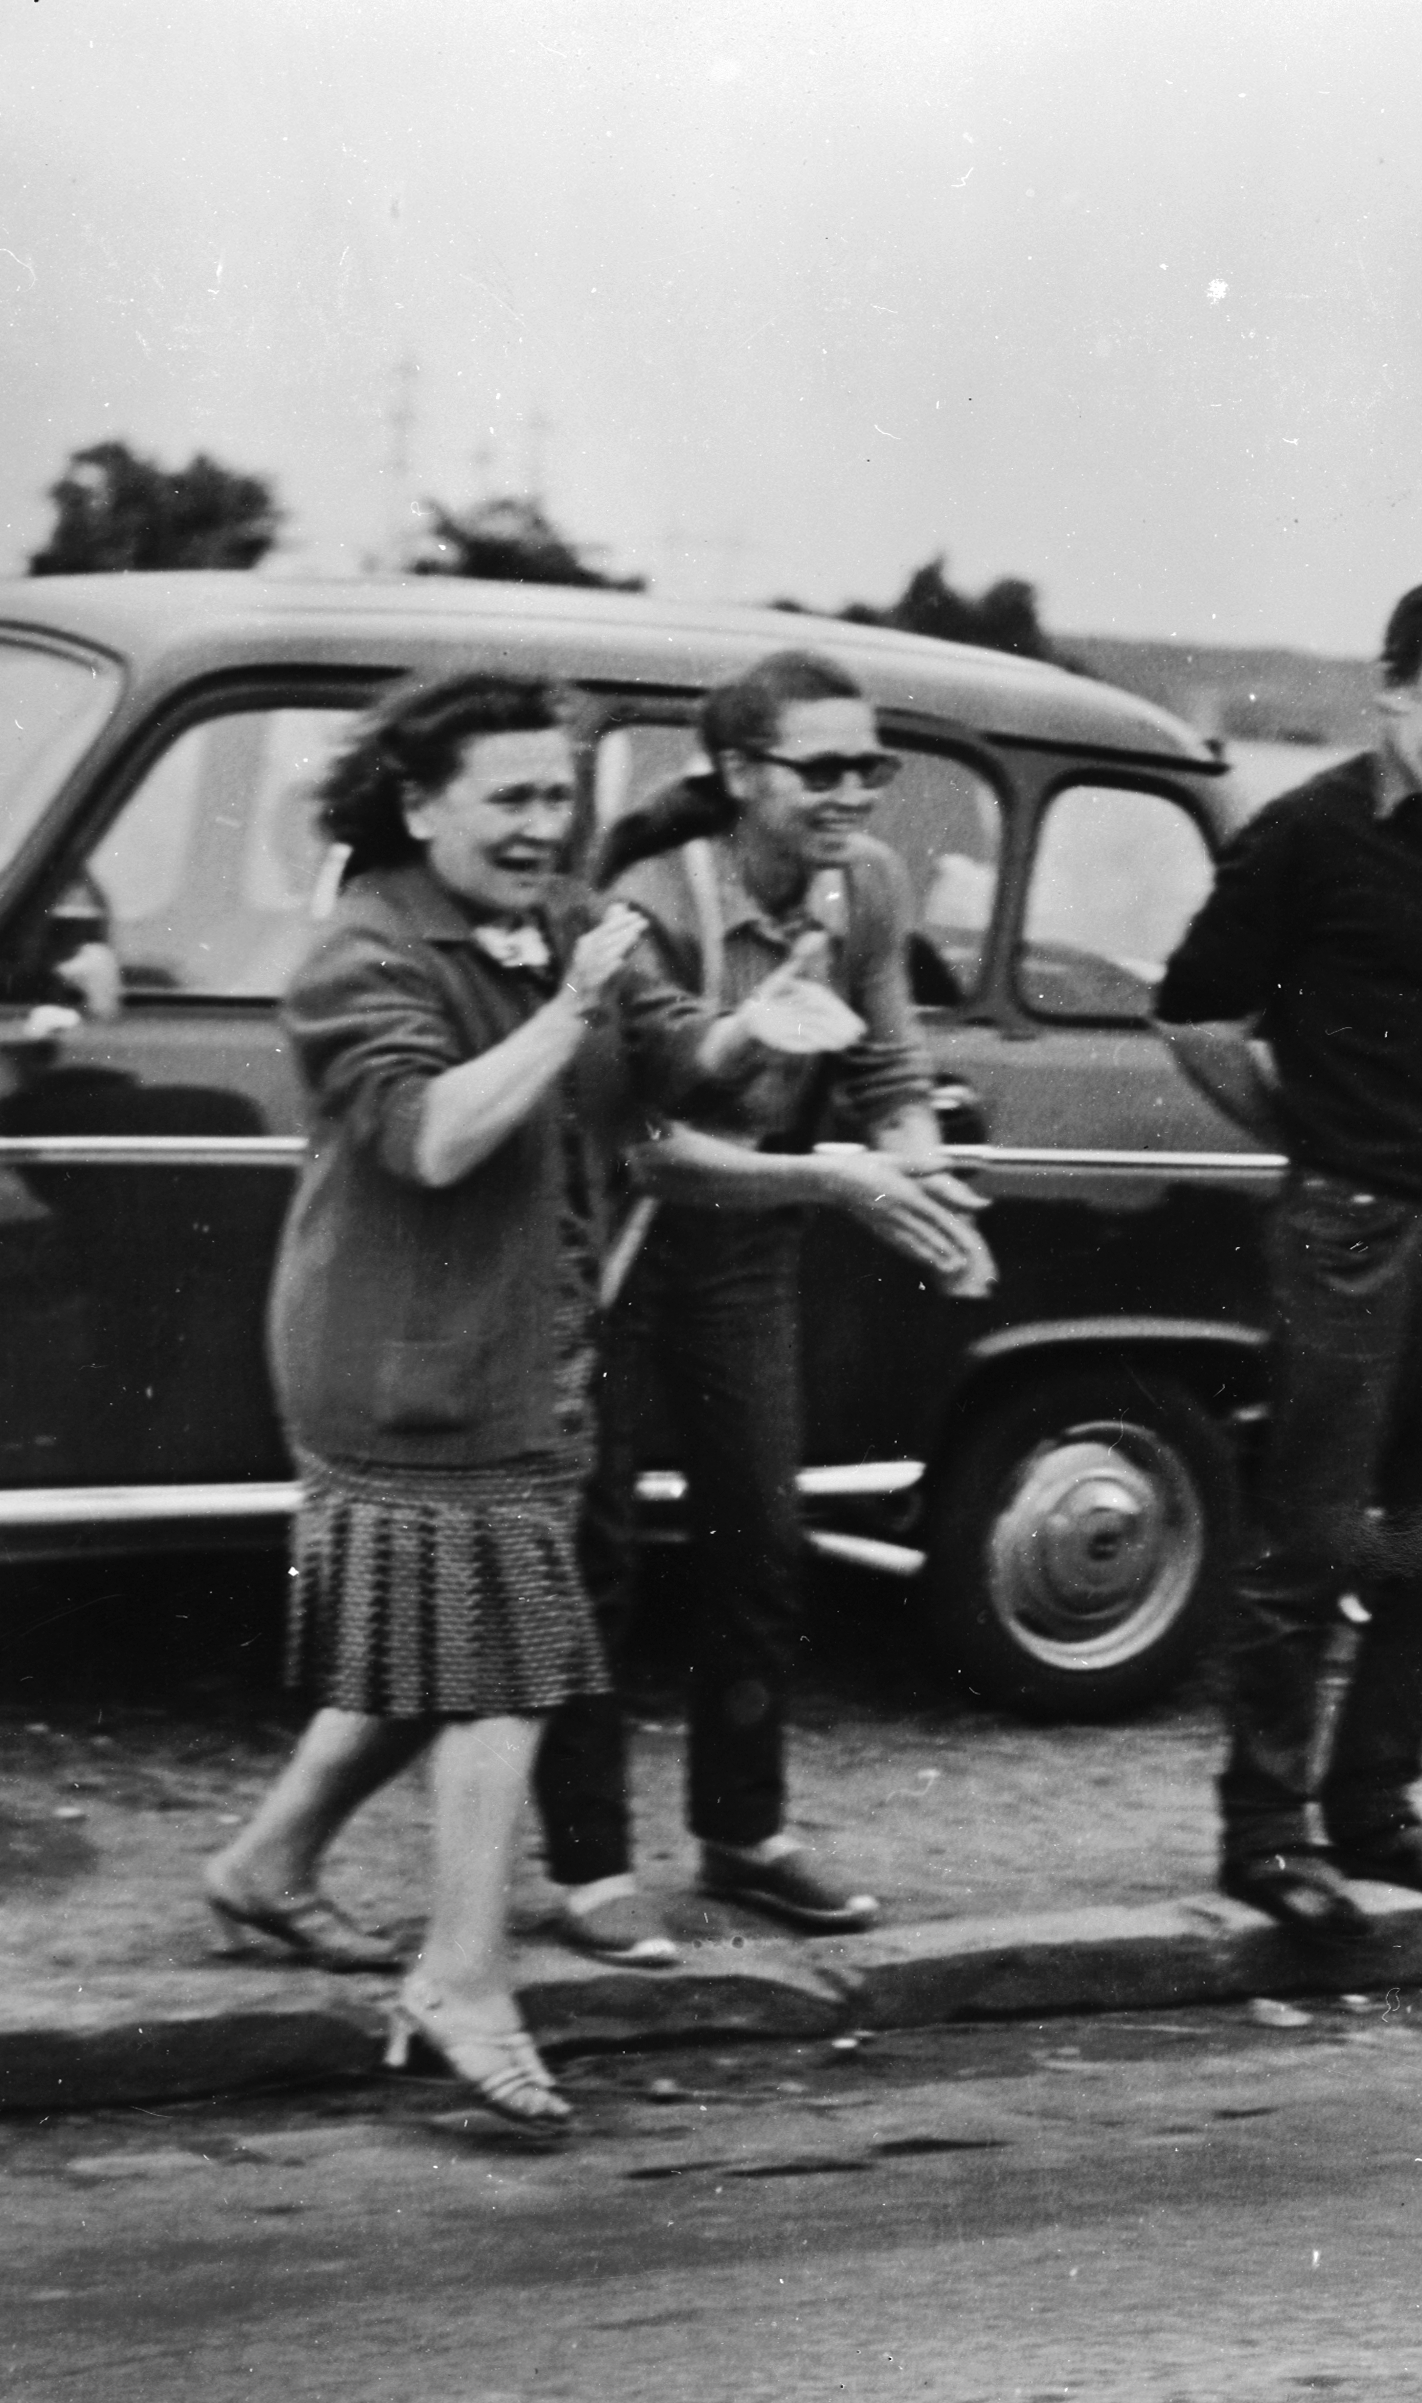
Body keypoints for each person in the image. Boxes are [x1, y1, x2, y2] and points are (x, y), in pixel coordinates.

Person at [199, 669, 811, 2131]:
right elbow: (430, 1137)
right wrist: (569, 1006)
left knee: (451, 1635)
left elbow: (675, 1063)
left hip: (523, 1346)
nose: (548, 827)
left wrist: (759, 1026)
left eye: (561, 797)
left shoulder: (562, 916)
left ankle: (265, 1869)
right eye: (514, 799)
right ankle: (461, 1974)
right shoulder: (361, 952)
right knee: (511, 1652)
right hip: (402, 1357)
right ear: (420, 804)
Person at [526, 651, 995, 1965]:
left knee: (761, 1538)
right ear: (738, 774)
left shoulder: (869, 889)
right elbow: (649, 1149)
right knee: (596, 1552)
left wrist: (927, 1178)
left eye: (871, 766)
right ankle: (591, 1865)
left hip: (747, 1249)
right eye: (821, 768)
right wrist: (836, 1174)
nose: (853, 792)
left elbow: (891, 1067)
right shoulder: (648, 900)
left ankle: (744, 1832)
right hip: (618, 1245)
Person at [1151, 576, 1422, 1938]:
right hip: (1356, 1226)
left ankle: (1376, 1809)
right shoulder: (1312, 835)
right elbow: (1195, 1010)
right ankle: (1267, 1829)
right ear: (1396, 690)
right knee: (1316, 1529)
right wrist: (1317, 1137)